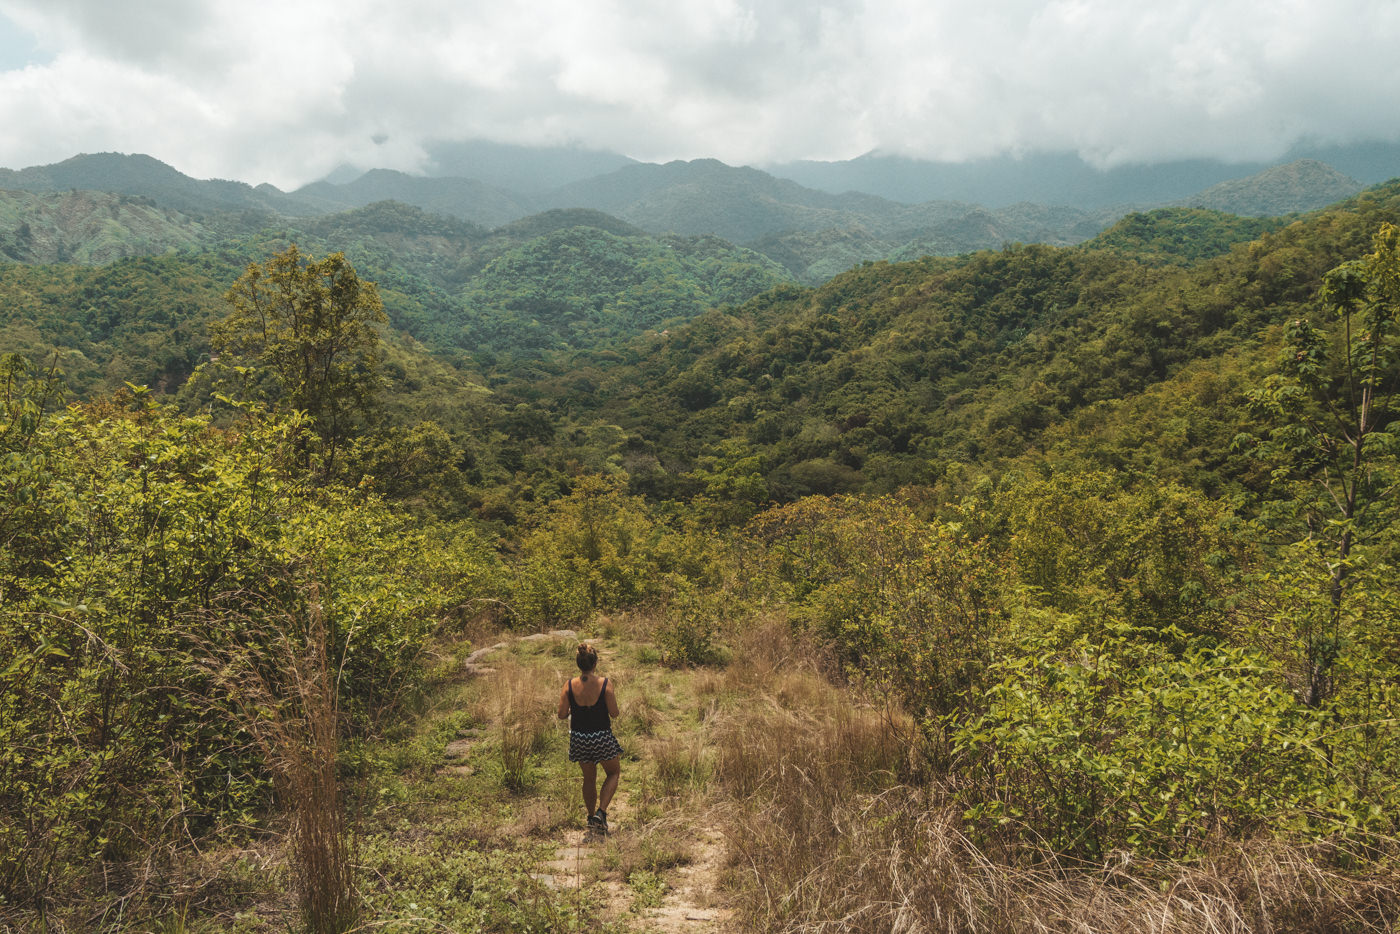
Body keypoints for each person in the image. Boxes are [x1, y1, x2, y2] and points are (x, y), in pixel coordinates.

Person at [556, 642, 622, 833]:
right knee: (613, 773)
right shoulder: (605, 684)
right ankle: (601, 813)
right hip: (601, 736)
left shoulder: (568, 685)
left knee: (589, 778)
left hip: (579, 739)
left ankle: (590, 815)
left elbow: (561, 714)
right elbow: (614, 713)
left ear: (578, 664)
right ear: (595, 663)